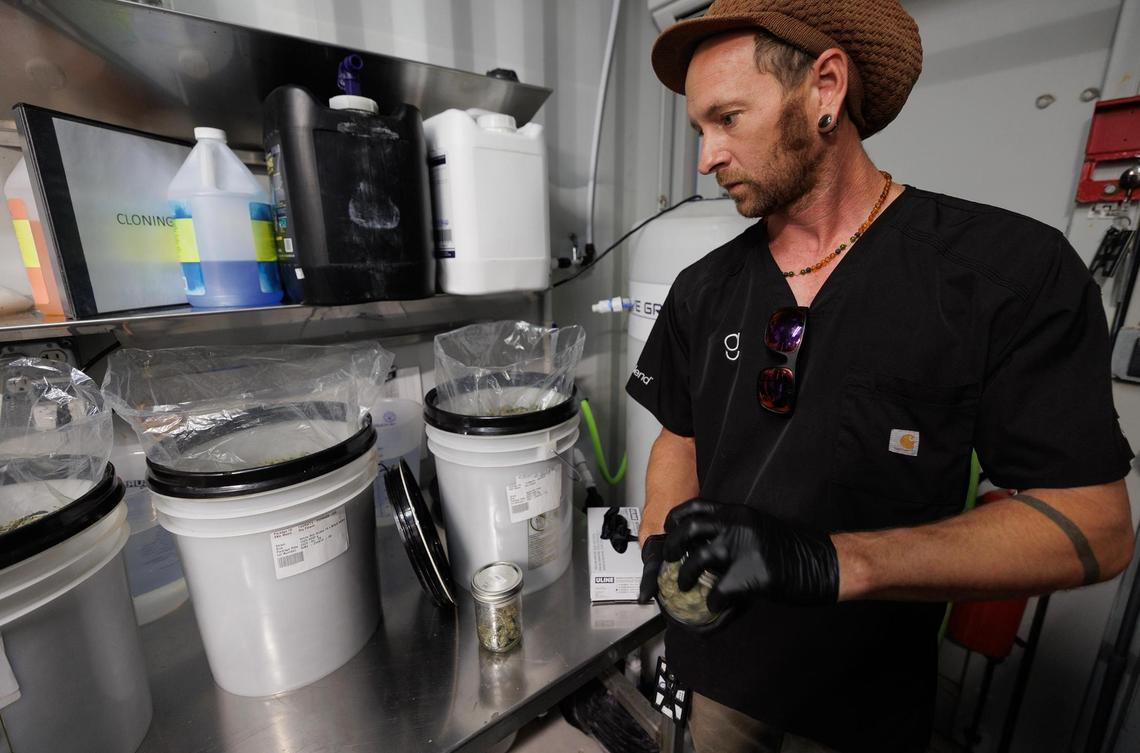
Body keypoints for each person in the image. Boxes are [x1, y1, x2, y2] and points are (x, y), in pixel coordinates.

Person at [626, 1, 1136, 752]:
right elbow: (680, 434)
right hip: (721, 679)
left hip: (860, 706)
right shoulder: (702, 289)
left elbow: (1097, 528)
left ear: (825, 88)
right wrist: (659, 539)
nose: (707, 157)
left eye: (728, 118)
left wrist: (834, 561)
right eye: (699, 129)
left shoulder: (1003, 275)